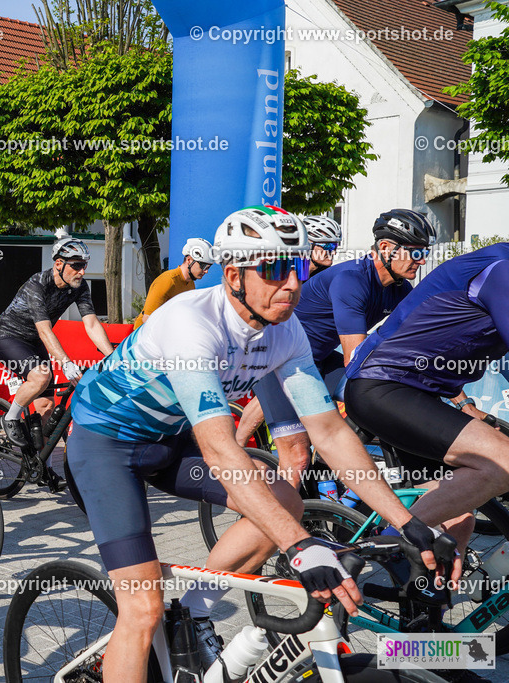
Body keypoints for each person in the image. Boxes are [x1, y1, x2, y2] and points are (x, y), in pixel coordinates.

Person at [66, 205, 457, 682]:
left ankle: (191, 612)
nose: (290, 283)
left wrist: (407, 521)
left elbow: (329, 433)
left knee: (286, 498)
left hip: (169, 440)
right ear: (233, 276)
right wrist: (300, 548)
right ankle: (151, 628)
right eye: (273, 269)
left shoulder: (284, 329)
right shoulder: (190, 324)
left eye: (295, 267)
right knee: (142, 606)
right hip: (105, 445)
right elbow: (219, 449)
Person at [235, 209, 437, 477]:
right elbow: (354, 357)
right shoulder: (351, 280)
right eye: (416, 253)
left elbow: (422, 341)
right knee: (296, 457)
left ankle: (326, 479)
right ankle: (229, 457)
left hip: (315, 358)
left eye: (426, 253)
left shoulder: (398, 289)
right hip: (277, 356)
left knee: (375, 398)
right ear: (386, 248)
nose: (422, 261)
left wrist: (459, 399)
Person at [345, 241, 509, 560]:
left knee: (458, 520)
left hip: (418, 394)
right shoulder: (500, 270)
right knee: (502, 460)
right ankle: (380, 548)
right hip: (383, 387)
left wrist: (464, 405)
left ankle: (424, 600)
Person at [0, 234, 114, 448]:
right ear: (59, 264)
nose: (82, 271)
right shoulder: (37, 284)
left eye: (84, 265)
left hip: (35, 341)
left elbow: (92, 324)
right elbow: (45, 329)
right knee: (41, 376)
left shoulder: (80, 286)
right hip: (8, 337)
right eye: (76, 266)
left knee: (46, 408)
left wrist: (112, 357)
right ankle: (10, 417)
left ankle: (42, 467)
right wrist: (66, 363)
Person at [133, 237, 213, 329]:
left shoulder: (190, 284)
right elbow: (147, 319)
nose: (206, 271)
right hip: (143, 335)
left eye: (208, 267)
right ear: (189, 260)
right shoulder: (167, 281)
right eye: (203, 266)